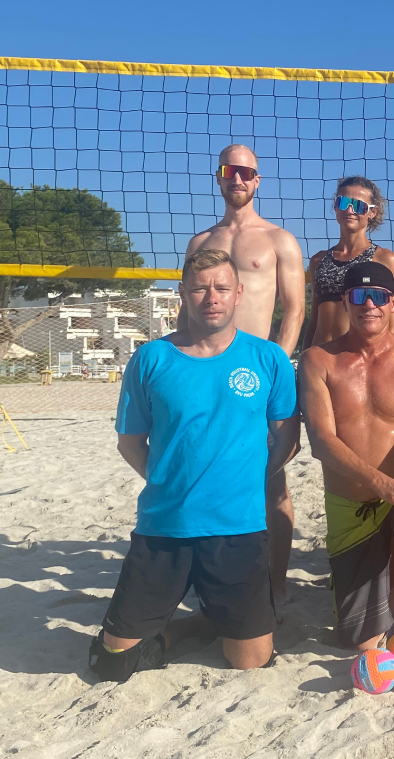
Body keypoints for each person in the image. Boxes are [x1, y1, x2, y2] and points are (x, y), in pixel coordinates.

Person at [92, 249, 299, 681]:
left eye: (221, 287)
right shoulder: (151, 358)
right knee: (113, 663)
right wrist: (169, 482)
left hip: (238, 528)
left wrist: (248, 480)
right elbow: (129, 443)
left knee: (250, 661)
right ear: (183, 293)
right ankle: (190, 625)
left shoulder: (268, 358)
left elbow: (288, 439)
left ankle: (206, 621)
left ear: (239, 293)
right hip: (164, 526)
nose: (212, 297)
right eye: (200, 288)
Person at [298, 261, 394, 647]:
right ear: (345, 302)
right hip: (353, 503)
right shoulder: (318, 359)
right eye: (359, 295)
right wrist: (385, 486)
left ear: (393, 303)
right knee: (362, 644)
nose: (369, 304)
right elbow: (321, 439)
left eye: (378, 296)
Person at [185, 144, 307, 602]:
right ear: (218, 176)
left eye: (245, 171)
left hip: (258, 375)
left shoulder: (279, 240)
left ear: (257, 180)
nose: (237, 178)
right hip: (206, 375)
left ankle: (275, 585)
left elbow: (294, 311)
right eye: (228, 170)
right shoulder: (200, 243)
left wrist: (277, 368)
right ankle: (213, 577)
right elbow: (186, 314)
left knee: (272, 482)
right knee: (206, 474)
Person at [304, 177, 394, 346]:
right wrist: (306, 355)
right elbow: (314, 320)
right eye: (343, 202)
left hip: (357, 356)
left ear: (372, 212)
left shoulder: (383, 258)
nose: (349, 210)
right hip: (320, 354)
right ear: (335, 206)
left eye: (358, 205)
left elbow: (392, 322)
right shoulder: (318, 260)